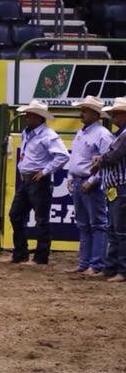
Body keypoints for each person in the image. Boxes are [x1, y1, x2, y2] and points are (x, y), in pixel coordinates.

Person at [7, 100, 70, 265]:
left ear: (39, 117)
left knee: (40, 218)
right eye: (28, 114)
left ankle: (40, 256)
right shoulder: (27, 133)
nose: (27, 117)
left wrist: (45, 171)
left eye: (30, 115)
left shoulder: (48, 135)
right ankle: (21, 252)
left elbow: (63, 156)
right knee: (16, 215)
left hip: (37, 180)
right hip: (28, 179)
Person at [63, 96, 114, 276]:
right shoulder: (83, 132)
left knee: (97, 224)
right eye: (82, 109)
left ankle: (96, 264)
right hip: (79, 181)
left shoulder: (102, 134)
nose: (81, 113)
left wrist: (92, 181)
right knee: (84, 225)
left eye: (85, 110)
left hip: (90, 184)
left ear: (95, 113)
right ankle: (85, 263)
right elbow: (76, 158)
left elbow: (107, 162)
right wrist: (71, 175)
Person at [91, 97, 126, 283]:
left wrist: (99, 159)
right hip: (116, 187)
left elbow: (114, 156)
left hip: (121, 187)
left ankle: (121, 270)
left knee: (120, 231)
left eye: (115, 113)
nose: (112, 116)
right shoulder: (120, 135)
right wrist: (102, 158)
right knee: (114, 229)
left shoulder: (124, 135)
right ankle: (112, 267)